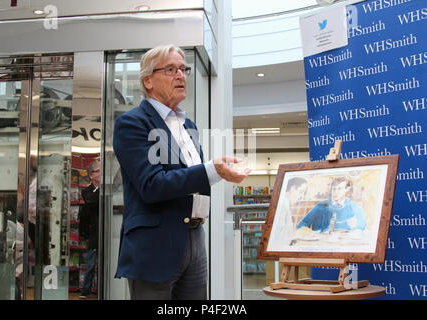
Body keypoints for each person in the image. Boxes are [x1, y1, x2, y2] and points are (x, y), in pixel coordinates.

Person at [113, 45, 249, 300]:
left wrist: (219, 171)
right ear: (148, 81)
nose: (181, 75)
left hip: (195, 237)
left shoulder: (188, 124)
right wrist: (210, 169)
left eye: (183, 69)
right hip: (154, 246)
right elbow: (152, 185)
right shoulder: (132, 123)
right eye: (170, 69)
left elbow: (191, 175)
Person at [296, 176, 366, 233]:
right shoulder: (321, 205)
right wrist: (307, 233)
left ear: (346, 190)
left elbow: (362, 225)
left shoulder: (353, 206)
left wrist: (355, 227)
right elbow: (302, 224)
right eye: (334, 189)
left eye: (339, 189)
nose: (335, 192)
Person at [78, 160, 101, 299]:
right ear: (91, 175)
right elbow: (93, 201)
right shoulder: (86, 191)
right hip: (93, 233)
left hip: (105, 231)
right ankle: (85, 291)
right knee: (91, 264)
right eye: (99, 170)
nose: (101, 173)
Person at [268, 177, 307, 249]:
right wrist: (295, 235)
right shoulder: (282, 205)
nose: (301, 196)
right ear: (292, 188)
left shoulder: (286, 203)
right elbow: (279, 236)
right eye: (301, 192)